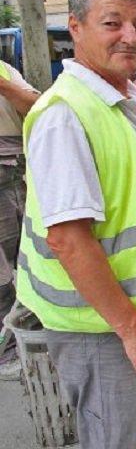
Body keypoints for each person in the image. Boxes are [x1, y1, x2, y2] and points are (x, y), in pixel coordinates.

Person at [16, 0, 136, 449]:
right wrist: (133, 331)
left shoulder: (120, 102)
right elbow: (68, 239)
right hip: (104, 333)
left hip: (133, 322)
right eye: (112, 23)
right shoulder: (66, 115)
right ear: (75, 28)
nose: (131, 37)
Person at [0, 60, 39, 377]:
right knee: (0, 280)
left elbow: (35, 104)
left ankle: (30, 335)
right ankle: (7, 352)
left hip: (14, 176)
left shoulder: (4, 71)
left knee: (29, 261)